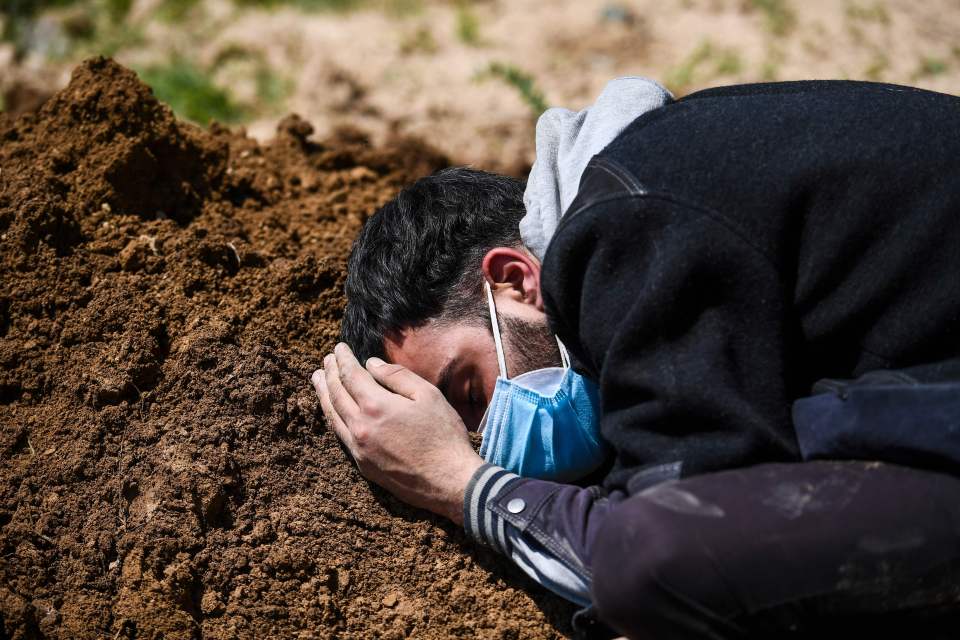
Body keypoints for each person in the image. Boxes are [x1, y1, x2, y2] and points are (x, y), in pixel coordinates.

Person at [311, 79, 960, 639]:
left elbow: (689, 525)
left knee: (642, 556)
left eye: (471, 391)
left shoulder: (624, 232)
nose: (486, 439)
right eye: (469, 434)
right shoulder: (660, 177)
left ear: (513, 280)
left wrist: (463, 484)